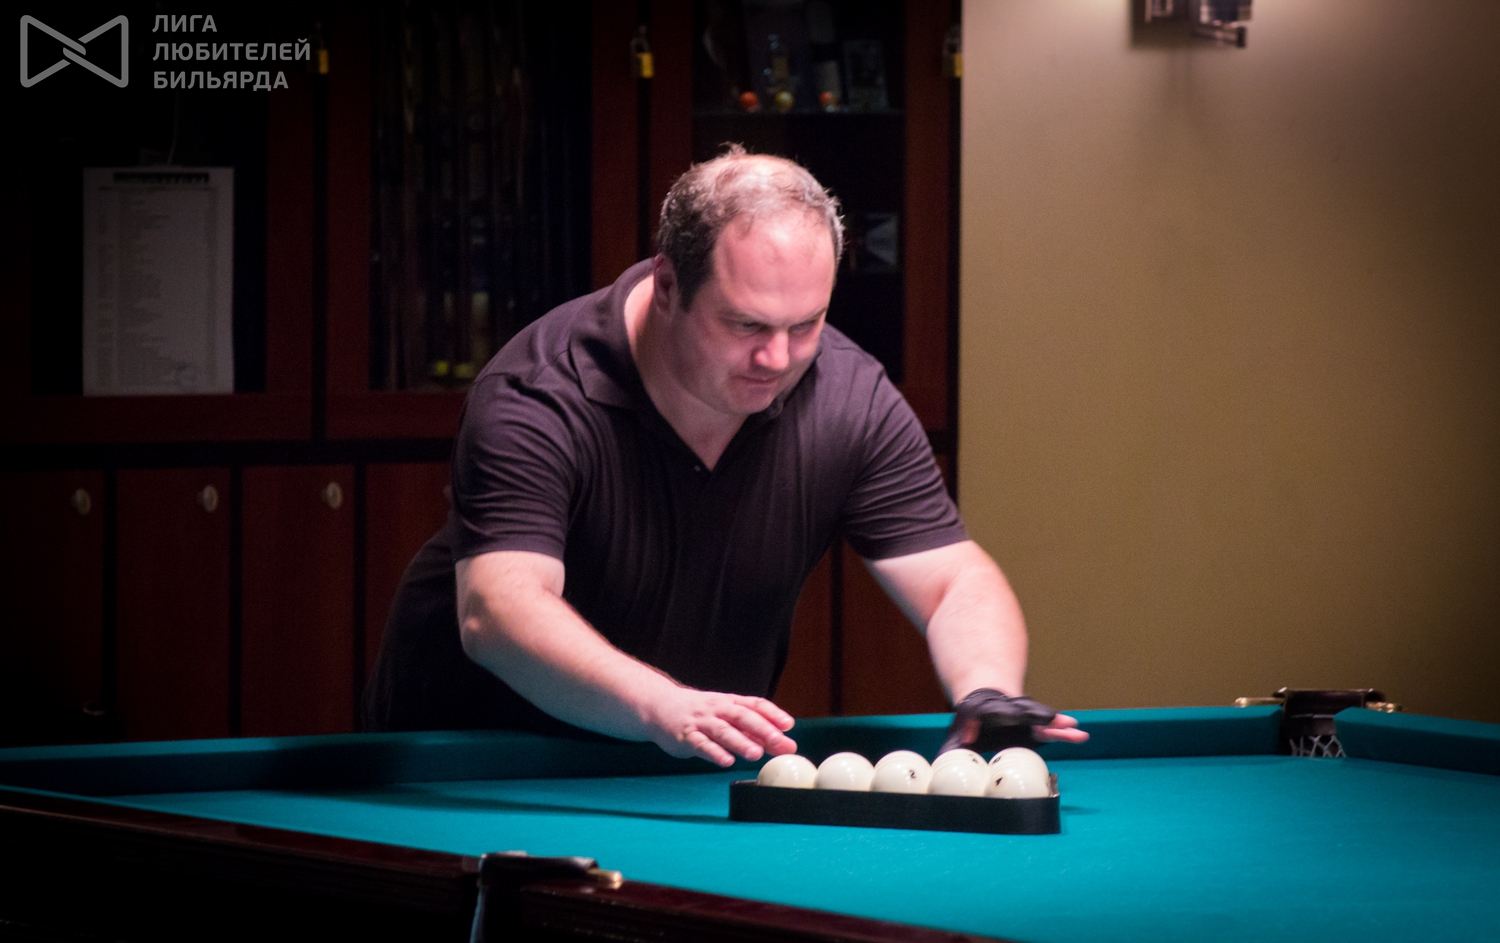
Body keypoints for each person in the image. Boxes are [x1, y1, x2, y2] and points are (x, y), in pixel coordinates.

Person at [364, 147, 1087, 764]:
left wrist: (987, 687)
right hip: (479, 761)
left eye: (806, 324)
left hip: (684, 756)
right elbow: (498, 610)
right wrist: (662, 705)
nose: (778, 358)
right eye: (746, 325)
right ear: (668, 285)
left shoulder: (848, 395)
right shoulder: (541, 392)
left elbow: (952, 579)